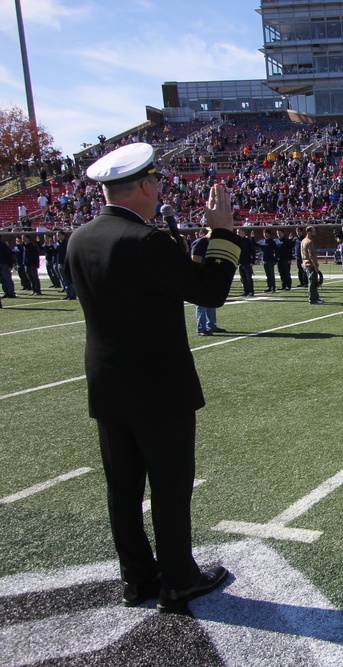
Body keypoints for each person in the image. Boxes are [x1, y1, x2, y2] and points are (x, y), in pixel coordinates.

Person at [65, 143, 235, 612]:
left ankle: (137, 578)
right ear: (143, 185)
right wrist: (221, 233)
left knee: (122, 489)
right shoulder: (147, 240)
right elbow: (210, 292)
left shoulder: (79, 237)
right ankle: (179, 578)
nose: (159, 188)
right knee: (169, 485)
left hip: (106, 381)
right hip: (158, 385)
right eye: (155, 181)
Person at [301, 225, 323, 304]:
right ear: (308, 232)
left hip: (305, 264)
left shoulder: (303, 240)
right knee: (312, 283)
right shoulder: (309, 242)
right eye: (313, 232)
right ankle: (312, 299)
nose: (315, 233)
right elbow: (312, 256)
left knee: (313, 282)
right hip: (310, 264)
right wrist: (316, 266)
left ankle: (316, 298)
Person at [236, 228, 256, 296]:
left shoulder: (247, 241)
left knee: (248, 278)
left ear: (244, 233)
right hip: (240, 262)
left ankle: (251, 291)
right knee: (243, 278)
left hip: (247, 262)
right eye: (237, 232)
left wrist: (252, 261)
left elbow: (253, 251)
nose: (238, 234)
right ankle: (246, 291)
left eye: (239, 232)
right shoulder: (237, 241)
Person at [257, 228, 278, 293]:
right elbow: (254, 244)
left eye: (266, 233)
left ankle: (273, 287)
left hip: (270, 260)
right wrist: (252, 237)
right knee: (267, 275)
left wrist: (275, 260)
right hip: (264, 260)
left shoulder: (272, 242)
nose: (264, 234)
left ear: (269, 234)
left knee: (271, 274)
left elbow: (276, 251)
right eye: (263, 233)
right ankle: (269, 287)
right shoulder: (262, 241)